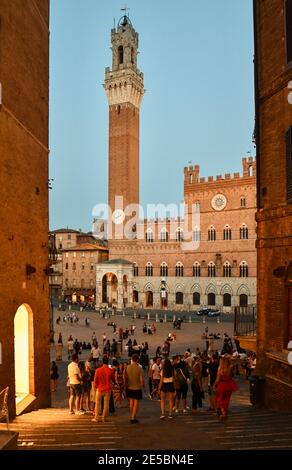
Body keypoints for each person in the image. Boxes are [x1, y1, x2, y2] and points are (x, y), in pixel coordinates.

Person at [92, 355, 115, 423]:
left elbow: (95, 380)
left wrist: (96, 387)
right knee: (106, 405)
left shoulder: (98, 370)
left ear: (102, 361)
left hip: (100, 389)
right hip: (108, 389)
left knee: (97, 404)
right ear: (108, 362)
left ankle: (96, 418)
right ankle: (104, 418)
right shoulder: (110, 370)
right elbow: (113, 379)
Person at [124, 354, 144, 424]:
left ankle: (132, 414)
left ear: (132, 359)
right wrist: (142, 386)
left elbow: (125, 377)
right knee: (136, 402)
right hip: (137, 387)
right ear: (137, 360)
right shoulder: (139, 368)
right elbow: (141, 379)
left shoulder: (128, 367)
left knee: (131, 402)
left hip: (129, 386)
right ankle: (133, 417)